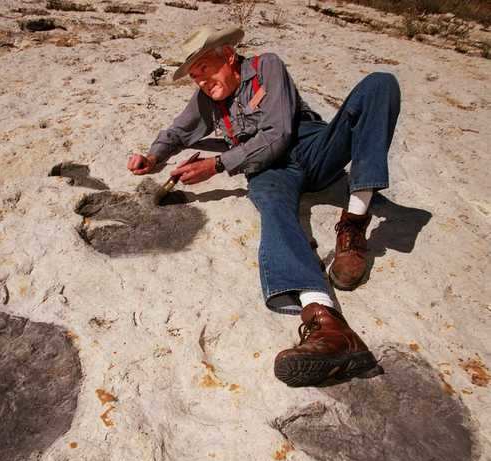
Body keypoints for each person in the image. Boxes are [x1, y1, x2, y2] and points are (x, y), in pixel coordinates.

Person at [127, 26, 401, 387]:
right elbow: (178, 132)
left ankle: (353, 221)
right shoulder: (207, 98)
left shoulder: (266, 66)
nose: (202, 82)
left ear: (228, 56)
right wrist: (152, 156)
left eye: (205, 69)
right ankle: (327, 323)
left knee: (380, 84)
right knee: (273, 211)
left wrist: (218, 165)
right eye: (195, 77)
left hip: (312, 148)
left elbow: (279, 133)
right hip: (269, 170)